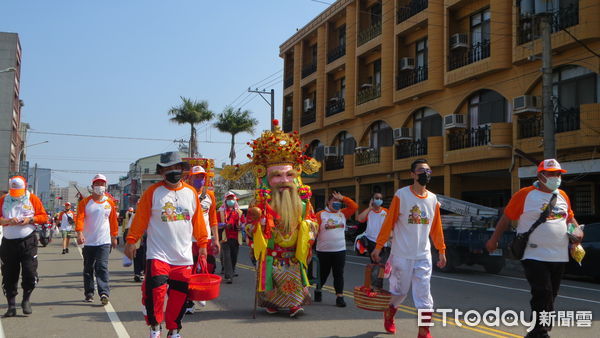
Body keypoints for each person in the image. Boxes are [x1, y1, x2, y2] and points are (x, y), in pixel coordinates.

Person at [221, 119, 320, 317]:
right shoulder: (259, 203)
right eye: (277, 176)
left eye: (289, 175)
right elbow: (248, 227)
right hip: (272, 250)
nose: (284, 181)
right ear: (266, 177)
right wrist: (259, 223)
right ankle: (271, 304)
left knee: (293, 277)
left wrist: (307, 226)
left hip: (293, 251)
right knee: (271, 278)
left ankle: (293, 304)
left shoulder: (302, 203)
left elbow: (314, 222)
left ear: (296, 176)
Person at [486, 159, 581, 338]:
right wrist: (493, 240)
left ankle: (536, 331)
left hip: (559, 255)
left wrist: (577, 231)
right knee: (542, 291)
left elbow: (569, 219)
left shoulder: (562, 195)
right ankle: (541, 332)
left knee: (551, 295)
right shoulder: (525, 194)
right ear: (541, 175)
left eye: (558, 174)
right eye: (551, 173)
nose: (556, 177)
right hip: (533, 253)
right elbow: (506, 218)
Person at [124, 151, 207, 338]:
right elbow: (140, 219)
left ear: (182, 170)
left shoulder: (191, 192)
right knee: (156, 292)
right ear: (161, 172)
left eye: (176, 167)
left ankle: (174, 330)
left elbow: (198, 221)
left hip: (183, 256)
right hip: (158, 254)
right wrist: (131, 240)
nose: (173, 171)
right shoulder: (153, 193)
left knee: (179, 296)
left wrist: (203, 243)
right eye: (168, 168)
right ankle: (155, 327)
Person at [371, 159, 446, 337]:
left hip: (423, 255)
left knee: (423, 294)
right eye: (420, 170)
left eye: (428, 170)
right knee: (400, 292)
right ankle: (390, 311)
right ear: (412, 174)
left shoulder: (433, 199)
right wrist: (378, 246)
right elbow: (389, 222)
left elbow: (436, 228)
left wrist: (441, 250)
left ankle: (424, 331)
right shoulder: (402, 195)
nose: (425, 173)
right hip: (401, 255)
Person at [0, 176, 48, 317]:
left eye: (18, 191)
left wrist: (30, 219)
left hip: (28, 241)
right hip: (8, 242)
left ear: (25, 187)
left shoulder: (32, 198)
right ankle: (11, 305)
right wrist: (8, 220)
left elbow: (43, 216)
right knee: (9, 274)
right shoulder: (4, 200)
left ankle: (26, 299)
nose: (16, 194)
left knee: (29, 271)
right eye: (13, 190)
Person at [75, 174, 119, 305]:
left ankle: (104, 292)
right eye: (97, 184)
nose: (100, 186)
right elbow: (80, 218)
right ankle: (89, 293)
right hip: (89, 241)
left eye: (102, 184)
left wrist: (114, 236)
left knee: (102, 267)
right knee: (88, 268)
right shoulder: (85, 202)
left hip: (104, 241)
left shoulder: (109, 202)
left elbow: (113, 221)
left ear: (105, 186)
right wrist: (79, 233)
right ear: (92, 186)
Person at [184, 165, 219, 314]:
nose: (200, 179)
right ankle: (190, 300)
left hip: (207, 239)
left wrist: (216, 239)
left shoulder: (210, 195)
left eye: (202, 176)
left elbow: (213, 219)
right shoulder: (185, 194)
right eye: (197, 176)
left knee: (208, 267)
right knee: (190, 271)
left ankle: (201, 293)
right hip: (188, 239)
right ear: (190, 177)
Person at [314, 191, 357, 307]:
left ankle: (340, 297)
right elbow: (313, 232)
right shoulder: (321, 214)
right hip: (323, 251)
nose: (337, 203)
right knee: (323, 274)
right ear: (328, 202)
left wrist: (343, 198)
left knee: (338, 273)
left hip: (340, 250)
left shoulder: (343, 214)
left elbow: (354, 206)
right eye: (334, 201)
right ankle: (318, 289)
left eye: (338, 201)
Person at [356, 192, 389, 289]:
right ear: (372, 200)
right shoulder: (369, 212)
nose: (379, 200)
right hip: (371, 242)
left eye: (380, 198)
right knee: (377, 266)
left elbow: (392, 225)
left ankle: (375, 288)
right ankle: (374, 288)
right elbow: (359, 219)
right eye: (376, 198)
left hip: (383, 243)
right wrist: (370, 208)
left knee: (380, 266)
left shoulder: (386, 212)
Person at [218, 191, 242, 284]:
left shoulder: (239, 212)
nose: (230, 201)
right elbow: (216, 224)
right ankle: (228, 276)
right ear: (225, 200)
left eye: (232, 199)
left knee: (233, 257)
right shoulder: (221, 212)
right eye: (228, 199)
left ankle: (231, 271)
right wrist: (224, 225)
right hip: (225, 238)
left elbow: (243, 223)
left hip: (236, 237)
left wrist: (241, 226)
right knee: (227, 257)